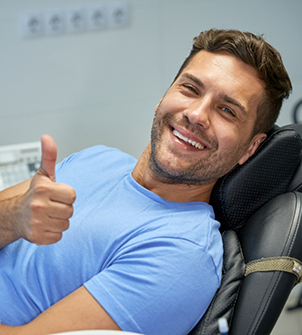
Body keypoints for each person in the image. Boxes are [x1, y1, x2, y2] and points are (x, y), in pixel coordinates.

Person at [0, 28, 292, 335]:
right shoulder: (97, 159)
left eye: (227, 110)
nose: (196, 114)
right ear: (164, 96)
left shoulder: (182, 255)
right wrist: (13, 216)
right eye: (190, 89)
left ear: (250, 147)